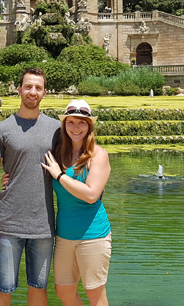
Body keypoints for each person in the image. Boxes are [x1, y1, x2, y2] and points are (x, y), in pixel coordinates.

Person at [0, 68, 61, 306]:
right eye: (28, 86)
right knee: (3, 286)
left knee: (39, 287)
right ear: (19, 90)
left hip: (43, 224)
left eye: (38, 87)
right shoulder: (1, 130)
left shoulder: (57, 129)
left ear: (44, 92)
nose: (32, 92)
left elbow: (69, 166)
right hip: (9, 222)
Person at [42, 99, 112, 306]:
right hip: (64, 235)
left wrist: (60, 176)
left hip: (93, 234)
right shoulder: (58, 154)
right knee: (63, 291)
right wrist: (7, 180)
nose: (76, 128)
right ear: (64, 125)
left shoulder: (98, 155)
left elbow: (91, 195)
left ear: (89, 126)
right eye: (71, 122)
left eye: (82, 123)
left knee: (95, 295)